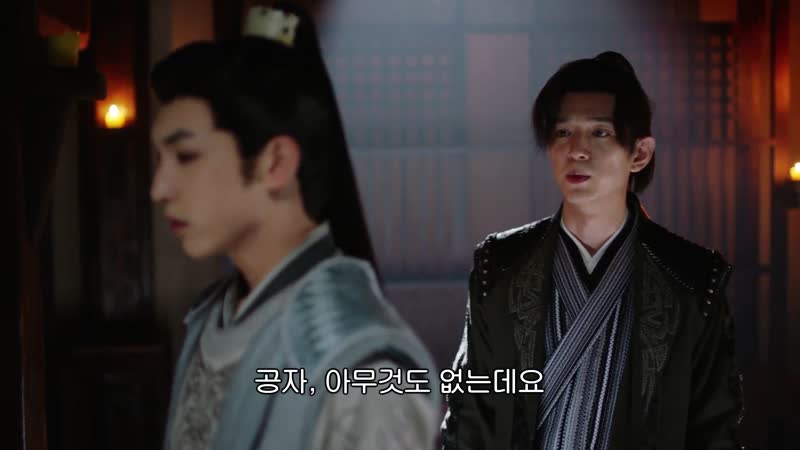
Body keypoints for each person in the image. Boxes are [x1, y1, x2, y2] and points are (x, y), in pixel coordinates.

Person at [149, 3, 439, 449]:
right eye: (161, 159)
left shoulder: (363, 371)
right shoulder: (210, 318)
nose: (159, 188)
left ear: (275, 162)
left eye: (186, 156)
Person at [441, 51, 744, 449]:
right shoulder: (499, 266)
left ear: (639, 153)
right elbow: (470, 415)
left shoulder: (693, 280)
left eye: (599, 133)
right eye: (563, 133)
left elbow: (714, 432)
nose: (577, 150)